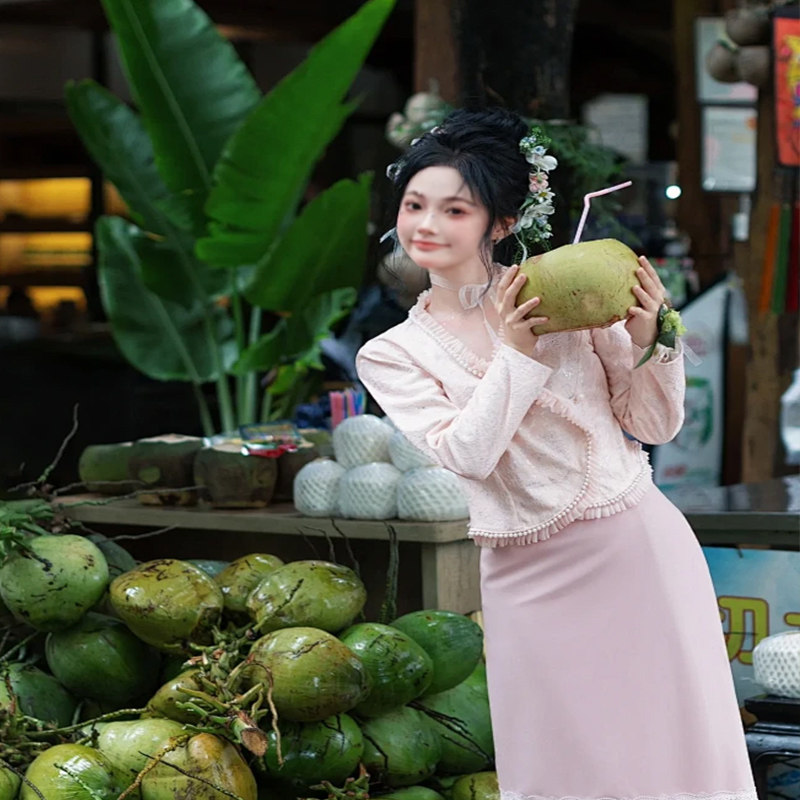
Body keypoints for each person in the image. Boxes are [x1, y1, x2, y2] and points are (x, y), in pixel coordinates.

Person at [355, 108, 756, 800]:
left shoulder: (568, 292)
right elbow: (468, 454)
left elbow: (654, 424)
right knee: (558, 769)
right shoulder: (391, 353)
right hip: (525, 575)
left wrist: (652, 337)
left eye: (455, 209)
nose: (427, 224)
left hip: (636, 547)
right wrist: (517, 353)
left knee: (674, 756)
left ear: (502, 223)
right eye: (415, 204)